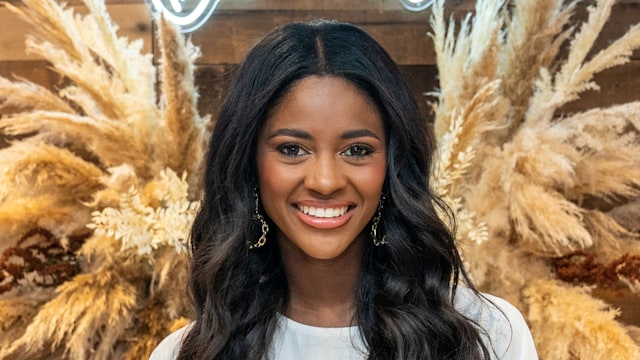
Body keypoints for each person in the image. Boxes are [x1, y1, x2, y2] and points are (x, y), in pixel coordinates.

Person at [150, 20, 538, 360]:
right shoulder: (187, 353)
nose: (325, 181)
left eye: (357, 150)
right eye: (292, 149)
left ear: (394, 165)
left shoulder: (488, 336)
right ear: (248, 163)